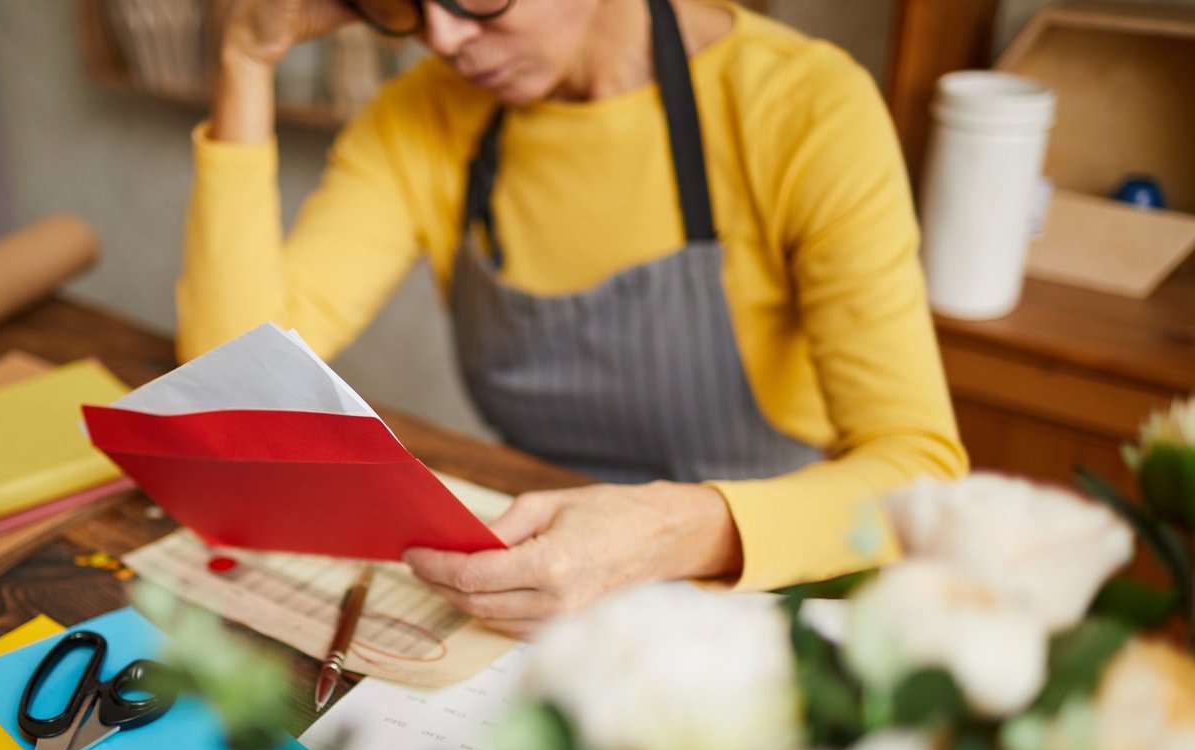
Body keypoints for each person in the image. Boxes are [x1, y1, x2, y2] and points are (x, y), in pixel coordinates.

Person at [177, 0, 968, 637]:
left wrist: (665, 532)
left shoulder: (802, 106)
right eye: (411, 7)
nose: (443, 37)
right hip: (532, 594)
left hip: (767, 591)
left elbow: (923, 470)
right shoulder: (421, 115)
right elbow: (228, 383)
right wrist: (245, 60)